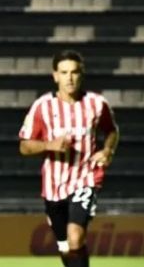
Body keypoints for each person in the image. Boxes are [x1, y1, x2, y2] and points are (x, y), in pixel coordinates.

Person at [18, 50, 119, 267]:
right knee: (65, 246)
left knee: (75, 237)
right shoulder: (42, 106)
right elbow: (24, 146)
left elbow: (111, 130)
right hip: (53, 185)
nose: (70, 78)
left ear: (82, 74)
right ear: (55, 75)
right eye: (64, 72)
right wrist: (49, 145)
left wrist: (108, 150)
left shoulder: (96, 103)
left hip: (85, 178)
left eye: (74, 72)